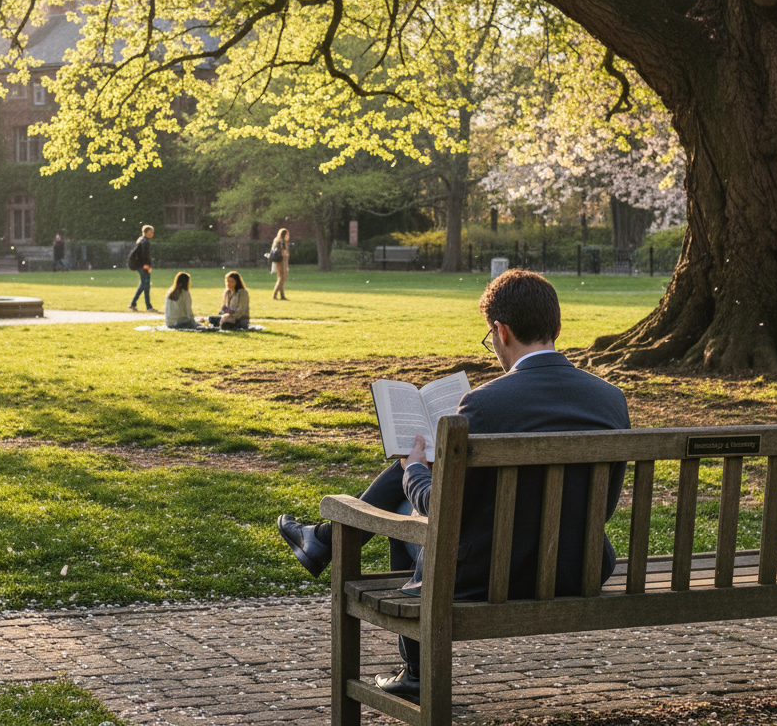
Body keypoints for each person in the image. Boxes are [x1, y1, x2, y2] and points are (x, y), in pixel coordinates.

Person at [276, 268, 630, 701]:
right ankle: (324, 542)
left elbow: (440, 511)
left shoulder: (484, 405)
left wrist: (413, 471)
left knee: (408, 505)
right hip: (580, 568)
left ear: (501, 331)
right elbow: (605, 503)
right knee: (419, 475)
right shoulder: (611, 398)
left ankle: (414, 668)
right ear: (556, 327)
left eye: (490, 337)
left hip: (487, 577)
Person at [128, 225, 158, 313]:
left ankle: (133, 304)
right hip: (143, 266)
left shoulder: (141, 240)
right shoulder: (145, 242)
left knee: (143, 285)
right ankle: (148, 306)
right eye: (151, 232)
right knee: (146, 285)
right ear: (147, 232)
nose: (152, 234)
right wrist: (147, 265)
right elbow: (145, 255)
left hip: (140, 266)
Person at [270, 228, 290, 300]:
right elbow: (283, 252)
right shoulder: (282, 242)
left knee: (281, 278)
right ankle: (275, 295)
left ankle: (282, 295)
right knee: (282, 278)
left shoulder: (277, 241)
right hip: (281, 261)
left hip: (278, 261)